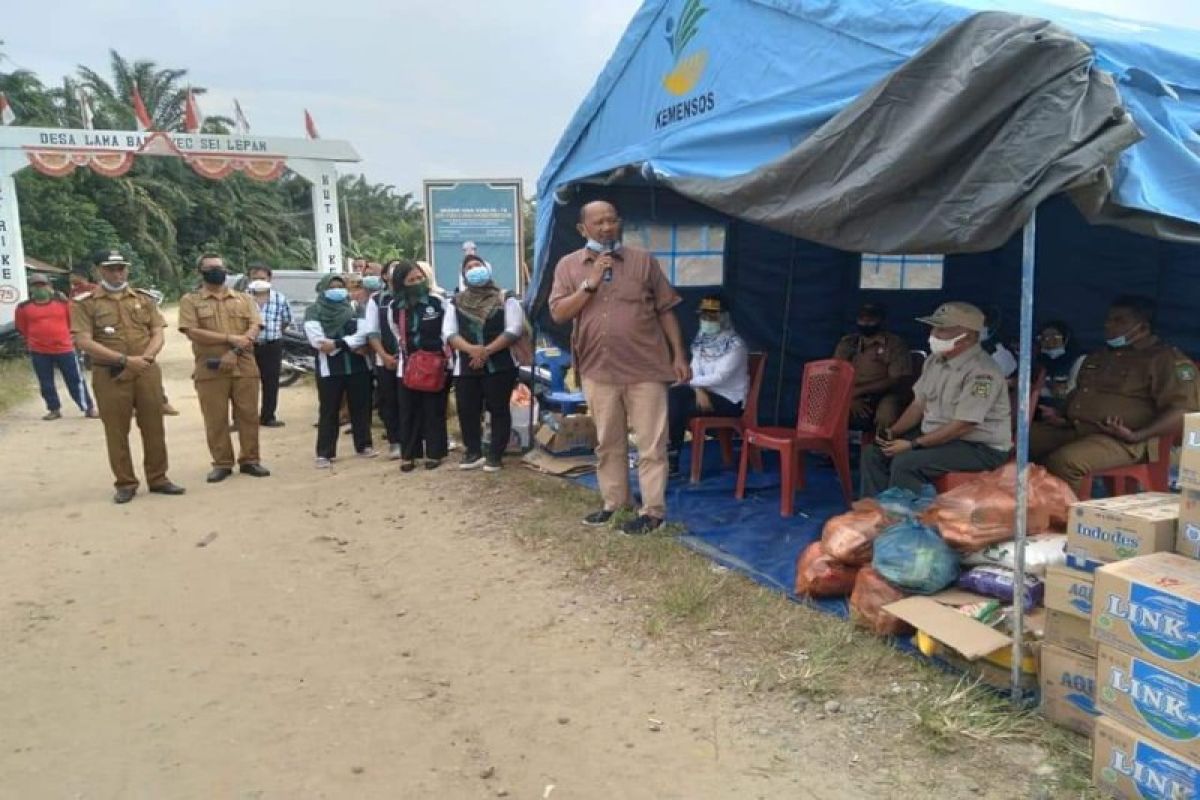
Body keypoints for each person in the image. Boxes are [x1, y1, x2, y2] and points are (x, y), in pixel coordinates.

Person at [549, 200, 690, 535]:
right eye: (598, 222)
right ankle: (615, 503)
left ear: (620, 224)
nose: (606, 227)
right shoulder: (569, 267)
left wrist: (679, 355)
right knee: (608, 442)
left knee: (652, 444)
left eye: (612, 220)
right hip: (599, 369)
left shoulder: (643, 262)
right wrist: (590, 282)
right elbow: (558, 313)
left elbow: (667, 309)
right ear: (583, 229)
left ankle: (652, 512)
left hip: (646, 368)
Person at [1030, 295, 1199, 493]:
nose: (1108, 325)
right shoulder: (1100, 356)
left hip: (1126, 441)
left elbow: (1184, 411)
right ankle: (1017, 508)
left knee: (1065, 462)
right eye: (1108, 319)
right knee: (1020, 441)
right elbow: (1083, 392)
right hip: (1076, 428)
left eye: (1119, 320)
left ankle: (1066, 520)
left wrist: (1136, 435)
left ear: (1143, 328)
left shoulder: (1166, 360)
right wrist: (1062, 416)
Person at [860, 301, 1012, 496]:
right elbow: (918, 405)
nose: (933, 334)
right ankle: (873, 513)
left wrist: (913, 444)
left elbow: (963, 425)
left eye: (942, 330)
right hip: (939, 436)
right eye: (933, 327)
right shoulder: (934, 360)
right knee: (874, 452)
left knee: (906, 462)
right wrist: (893, 432)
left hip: (979, 448)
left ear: (968, 336)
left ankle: (904, 519)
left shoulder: (983, 373)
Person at [70, 249, 185, 503]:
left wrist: (145, 359)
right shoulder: (85, 303)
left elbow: (157, 331)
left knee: (154, 426)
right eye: (111, 268)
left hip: (146, 371)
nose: (117, 272)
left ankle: (159, 478)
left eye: (121, 267)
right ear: (99, 270)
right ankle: (125, 482)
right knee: (116, 430)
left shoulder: (144, 299)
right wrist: (123, 360)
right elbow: (83, 340)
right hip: (110, 374)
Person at [178, 253, 272, 483]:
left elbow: (255, 326)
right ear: (200, 272)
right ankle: (222, 463)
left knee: (248, 415)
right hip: (211, 368)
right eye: (210, 268)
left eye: (219, 267)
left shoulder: (244, 299)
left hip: (244, 365)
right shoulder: (191, 301)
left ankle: (250, 459)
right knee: (215, 418)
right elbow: (192, 331)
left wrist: (235, 350)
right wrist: (230, 338)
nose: (216, 271)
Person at [445, 254, 525, 472]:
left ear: (487, 269)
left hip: (500, 364)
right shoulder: (456, 302)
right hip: (466, 365)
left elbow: (514, 329)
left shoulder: (505, 298)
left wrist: (486, 351)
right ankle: (473, 452)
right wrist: (472, 350)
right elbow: (449, 332)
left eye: (477, 265)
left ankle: (495, 454)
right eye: (469, 267)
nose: (474, 269)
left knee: (498, 408)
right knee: (467, 409)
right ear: (464, 274)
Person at [666, 295, 748, 476]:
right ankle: (669, 455)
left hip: (728, 401)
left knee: (676, 400)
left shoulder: (735, 346)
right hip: (705, 395)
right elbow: (694, 371)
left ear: (724, 317)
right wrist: (697, 389)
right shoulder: (701, 341)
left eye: (712, 317)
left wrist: (691, 384)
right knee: (674, 398)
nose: (706, 321)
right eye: (704, 316)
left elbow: (719, 378)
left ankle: (671, 457)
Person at [305, 273, 376, 467]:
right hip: (330, 370)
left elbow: (363, 334)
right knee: (329, 410)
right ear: (323, 289)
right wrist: (348, 345)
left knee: (361, 407)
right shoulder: (314, 311)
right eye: (332, 286)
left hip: (358, 367)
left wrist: (337, 343)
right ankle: (325, 453)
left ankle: (364, 445)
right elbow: (317, 341)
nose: (337, 290)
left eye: (340, 286)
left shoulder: (355, 308)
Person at [390, 260, 450, 471]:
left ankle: (435, 453)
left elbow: (446, 332)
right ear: (401, 282)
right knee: (408, 410)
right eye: (411, 280)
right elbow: (397, 333)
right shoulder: (395, 306)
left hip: (435, 364)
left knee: (433, 409)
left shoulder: (437, 301)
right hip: (408, 366)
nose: (417, 282)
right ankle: (409, 454)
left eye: (420, 278)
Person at [17, 273, 98, 421]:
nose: (39, 288)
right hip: (39, 350)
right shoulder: (24, 307)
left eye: (43, 285)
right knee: (45, 381)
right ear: (31, 289)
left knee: (75, 379)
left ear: (50, 287)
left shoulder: (63, 304)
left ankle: (88, 407)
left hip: (65, 349)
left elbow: (72, 322)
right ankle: (53, 409)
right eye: (36, 286)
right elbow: (22, 327)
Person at [832, 302, 912, 432]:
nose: (866, 323)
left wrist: (859, 391)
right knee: (824, 410)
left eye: (871, 319)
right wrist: (850, 397)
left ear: (881, 320)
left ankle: (881, 448)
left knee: (887, 413)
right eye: (862, 319)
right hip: (851, 392)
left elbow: (896, 379)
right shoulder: (847, 343)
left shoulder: (894, 344)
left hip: (885, 393)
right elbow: (836, 373)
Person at [365, 261, 404, 459]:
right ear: (385, 276)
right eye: (392, 268)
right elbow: (372, 332)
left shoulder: (412, 295)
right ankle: (395, 441)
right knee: (390, 401)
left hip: (411, 361)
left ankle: (413, 439)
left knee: (410, 401)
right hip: (385, 360)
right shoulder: (377, 299)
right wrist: (384, 355)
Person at [247, 265, 292, 427]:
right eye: (255, 278)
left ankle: (268, 416)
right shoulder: (242, 298)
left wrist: (274, 333)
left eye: (262, 278)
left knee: (271, 382)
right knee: (245, 383)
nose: (259, 281)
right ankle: (244, 418)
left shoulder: (280, 298)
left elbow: (286, 320)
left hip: (272, 345)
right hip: (248, 346)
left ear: (270, 279)